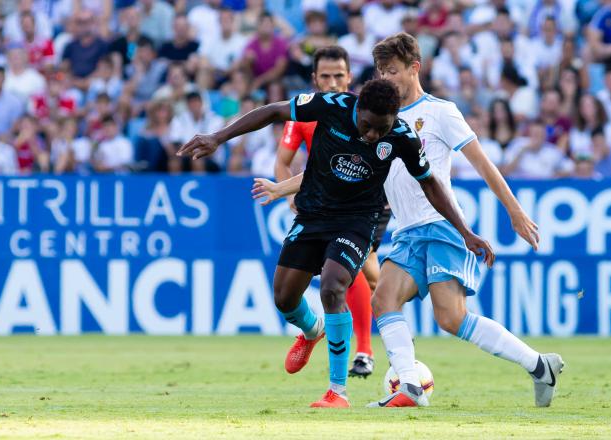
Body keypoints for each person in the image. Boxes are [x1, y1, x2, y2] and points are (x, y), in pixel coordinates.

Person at [255, 33, 563, 408]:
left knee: (451, 318)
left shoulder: (440, 112)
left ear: (414, 68)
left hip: (440, 226)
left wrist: (514, 210)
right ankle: (410, 388)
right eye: (381, 70)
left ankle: (539, 365)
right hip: (408, 229)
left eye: (393, 70)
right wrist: (281, 189)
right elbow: (328, 171)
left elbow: (482, 164)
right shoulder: (378, 116)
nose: (385, 77)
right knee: (383, 300)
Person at [177, 78, 493, 408]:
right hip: (313, 214)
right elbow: (273, 111)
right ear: (358, 109)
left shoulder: (402, 136)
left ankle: (337, 392)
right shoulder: (332, 105)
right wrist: (217, 136)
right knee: (284, 297)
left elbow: (431, 184)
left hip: (358, 221)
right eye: (367, 126)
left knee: (332, 286)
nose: (372, 135)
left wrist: (464, 231)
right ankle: (313, 330)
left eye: (380, 130)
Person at [274, 46, 382, 378]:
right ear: (314, 79)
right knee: (360, 275)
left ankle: (363, 351)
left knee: (360, 275)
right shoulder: (306, 111)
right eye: (326, 76)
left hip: (365, 202)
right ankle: (357, 346)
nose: (333, 82)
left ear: (350, 77)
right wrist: (287, 195)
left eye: (339, 76)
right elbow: (282, 161)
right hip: (322, 201)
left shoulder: (367, 113)